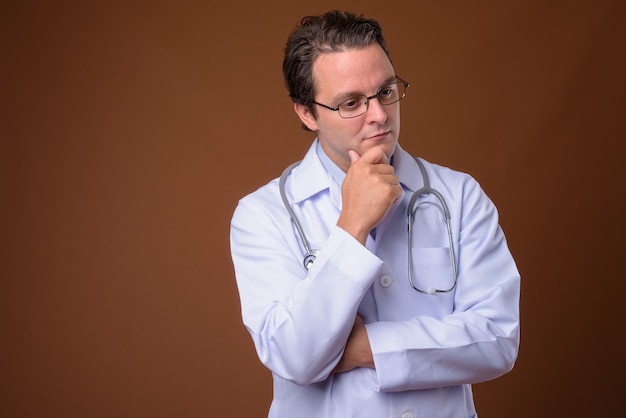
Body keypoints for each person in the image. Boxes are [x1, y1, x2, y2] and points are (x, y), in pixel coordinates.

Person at [230, 10, 520, 418]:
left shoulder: (459, 195)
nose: (380, 115)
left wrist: (368, 348)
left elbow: (497, 338)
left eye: (386, 91)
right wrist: (352, 226)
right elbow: (294, 358)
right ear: (306, 113)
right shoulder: (262, 215)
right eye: (351, 103)